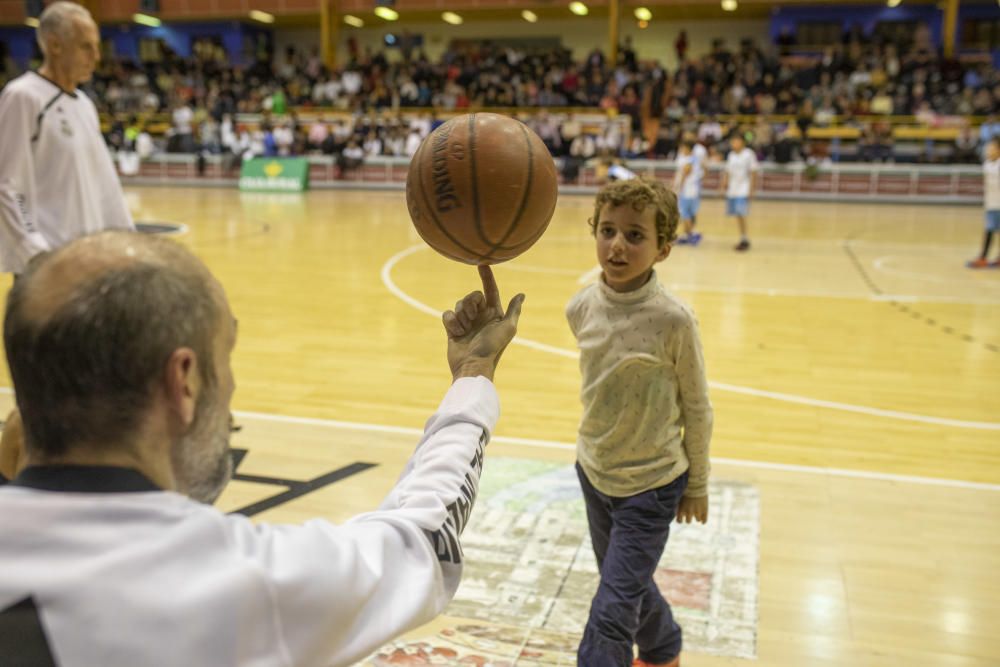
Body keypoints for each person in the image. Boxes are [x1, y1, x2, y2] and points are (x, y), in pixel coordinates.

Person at [0, 231, 525, 665]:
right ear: (182, 382)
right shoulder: (246, 585)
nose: (227, 389)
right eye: (223, 355)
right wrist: (474, 376)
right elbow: (423, 538)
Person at [566, 179, 713, 667]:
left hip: (651, 487)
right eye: (607, 231)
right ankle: (663, 647)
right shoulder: (580, 307)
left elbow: (697, 406)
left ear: (664, 249)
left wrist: (698, 483)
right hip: (594, 473)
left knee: (611, 611)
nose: (617, 245)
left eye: (634, 235)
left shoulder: (675, 321)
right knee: (625, 582)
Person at [0, 1, 134, 276]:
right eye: (86, 46)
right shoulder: (23, 97)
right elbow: (8, 186)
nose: (96, 57)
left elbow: (105, 183)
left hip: (89, 264)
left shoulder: (85, 104)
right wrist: (36, 252)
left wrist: (128, 242)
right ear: (55, 45)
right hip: (47, 269)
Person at [720, 133, 759, 252]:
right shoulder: (731, 155)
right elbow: (727, 171)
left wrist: (751, 190)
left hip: (743, 189)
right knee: (737, 214)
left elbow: (753, 172)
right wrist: (724, 184)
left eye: (736, 141)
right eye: (732, 142)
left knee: (741, 214)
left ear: (742, 142)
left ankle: (744, 238)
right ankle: (743, 237)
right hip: (733, 189)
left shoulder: (749, 154)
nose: (734, 144)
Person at [968, 138, 1000, 269]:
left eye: (991, 148)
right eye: (988, 148)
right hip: (991, 203)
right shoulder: (987, 164)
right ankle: (984, 257)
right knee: (989, 230)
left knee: (990, 230)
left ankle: (985, 257)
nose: (988, 151)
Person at [674, 139, 703, 246]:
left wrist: (677, 188)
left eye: (683, 148)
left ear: (687, 148)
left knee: (684, 213)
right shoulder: (694, 159)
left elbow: (684, 176)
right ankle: (687, 234)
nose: (681, 150)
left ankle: (694, 233)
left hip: (687, 191)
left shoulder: (689, 161)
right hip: (693, 190)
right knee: (688, 214)